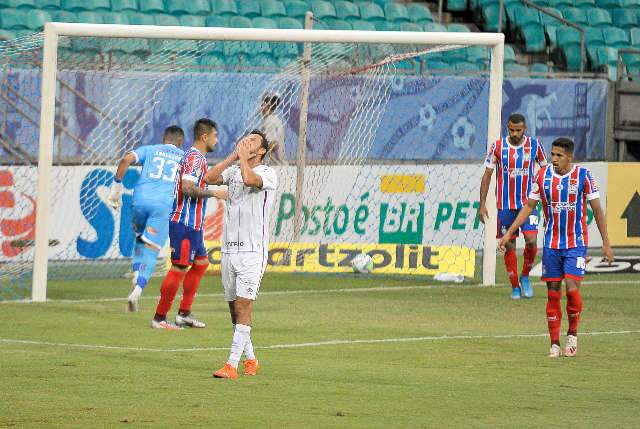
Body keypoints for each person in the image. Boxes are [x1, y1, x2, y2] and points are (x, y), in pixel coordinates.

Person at [498, 137, 614, 358]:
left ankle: (572, 334)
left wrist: (606, 243)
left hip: (575, 244)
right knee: (552, 293)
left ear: (570, 156)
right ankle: (554, 343)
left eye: (559, 155)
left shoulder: (584, 176)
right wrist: (509, 232)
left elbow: (598, 211)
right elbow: (529, 206)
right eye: (552, 154)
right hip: (551, 244)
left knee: (571, 288)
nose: (553, 159)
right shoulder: (542, 176)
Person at [205, 130, 277, 378]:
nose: (248, 142)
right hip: (228, 250)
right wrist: (233, 156)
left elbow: (250, 180)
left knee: (244, 305)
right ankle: (251, 360)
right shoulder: (234, 170)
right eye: (246, 138)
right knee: (234, 310)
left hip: (252, 251)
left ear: (262, 151)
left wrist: (243, 159)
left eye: (253, 141)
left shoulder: (267, 173)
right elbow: (210, 177)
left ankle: (231, 365)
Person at [151, 118, 226, 330]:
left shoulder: (197, 158)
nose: (217, 140)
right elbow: (187, 188)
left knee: (201, 264)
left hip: (193, 224)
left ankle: (184, 314)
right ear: (205, 137)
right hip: (183, 222)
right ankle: (159, 318)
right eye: (215, 136)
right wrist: (215, 193)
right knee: (179, 267)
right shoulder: (194, 158)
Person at [107, 125, 185, 312]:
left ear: (163, 138)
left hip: (140, 202)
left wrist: (116, 186)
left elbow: (126, 159)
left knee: (139, 240)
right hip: (163, 206)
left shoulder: (150, 150)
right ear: (181, 141)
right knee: (151, 249)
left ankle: (136, 274)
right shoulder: (184, 157)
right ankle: (138, 290)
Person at [479, 113, 547, 300]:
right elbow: (487, 175)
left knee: (532, 240)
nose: (515, 133)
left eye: (518, 130)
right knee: (509, 245)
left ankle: (525, 276)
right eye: (511, 130)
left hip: (529, 203)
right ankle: (515, 286)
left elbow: (545, 171)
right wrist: (482, 203)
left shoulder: (535, 146)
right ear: (507, 128)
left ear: (524, 129)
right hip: (505, 204)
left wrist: (546, 197)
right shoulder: (498, 147)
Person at [260, 92, 286, 165]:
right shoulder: (275, 119)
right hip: (279, 166)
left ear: (266, 105)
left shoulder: (269, 122)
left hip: (276, 167)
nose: (260, 107)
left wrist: (255, 152)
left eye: (262, 105)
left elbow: (274, 144)